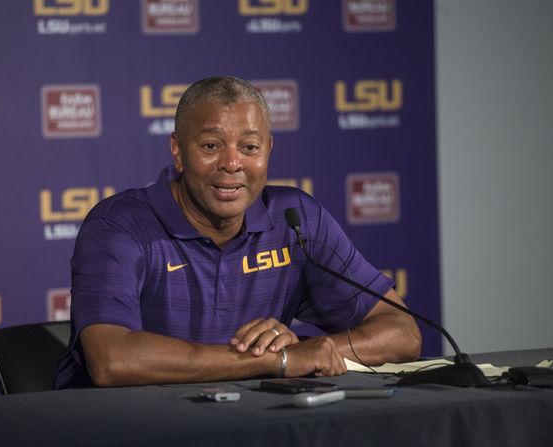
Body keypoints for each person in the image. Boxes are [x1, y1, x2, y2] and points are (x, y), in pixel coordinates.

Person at [53, 76, 421, 389]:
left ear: (268, 151)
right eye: (211, 146)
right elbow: (111, 360)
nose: (232, 164)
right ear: (178, 151)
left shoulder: (297, 220)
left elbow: (403, 332)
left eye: (249, 147)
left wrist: (322, 351)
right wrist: (275, 361)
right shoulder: (119, 225)